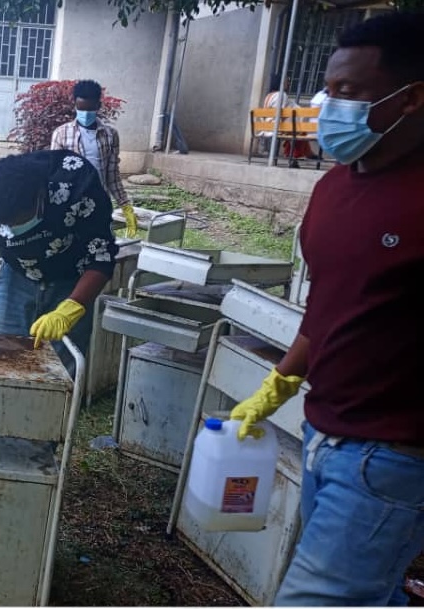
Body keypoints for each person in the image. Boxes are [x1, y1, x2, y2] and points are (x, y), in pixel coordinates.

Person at [227, 13, 424, 606]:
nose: (328, 107)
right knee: (375, 594)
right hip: (323, 431)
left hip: (390, 453)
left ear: (410, 98)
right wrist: (281, 382)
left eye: (351, 93)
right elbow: (330, 306)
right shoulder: (334, 188)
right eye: (328, 90)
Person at [0, 149, 119, 374]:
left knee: (58, 370)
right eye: (6, 226)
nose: (11, 232)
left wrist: (73, 307)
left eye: (19, 222)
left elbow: (102, 255)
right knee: (2, 358)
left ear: (41, 196)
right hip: (16, 277)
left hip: (71, 280)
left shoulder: (78, 186)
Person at [50, 80, 139, 238]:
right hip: (71, 203)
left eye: (90, 109)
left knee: (99, 246)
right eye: (81, 108)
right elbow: (55, 173)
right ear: (75, 105)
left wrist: (126, 208)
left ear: (98, 106)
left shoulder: (110, 135)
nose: (85, 113)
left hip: (99, 201)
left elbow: (112, 175)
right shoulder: (61, 133)